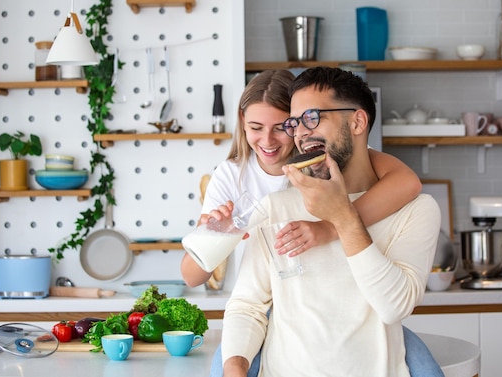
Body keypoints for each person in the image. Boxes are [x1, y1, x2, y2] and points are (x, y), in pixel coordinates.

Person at [181, 69, 442, 376]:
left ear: (357, 122)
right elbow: (242, 303)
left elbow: (394, 307)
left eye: (312, 118)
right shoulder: (273, 202)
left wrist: (339, 219)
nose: (301, 133)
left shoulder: (413, 208)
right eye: (296, 123)